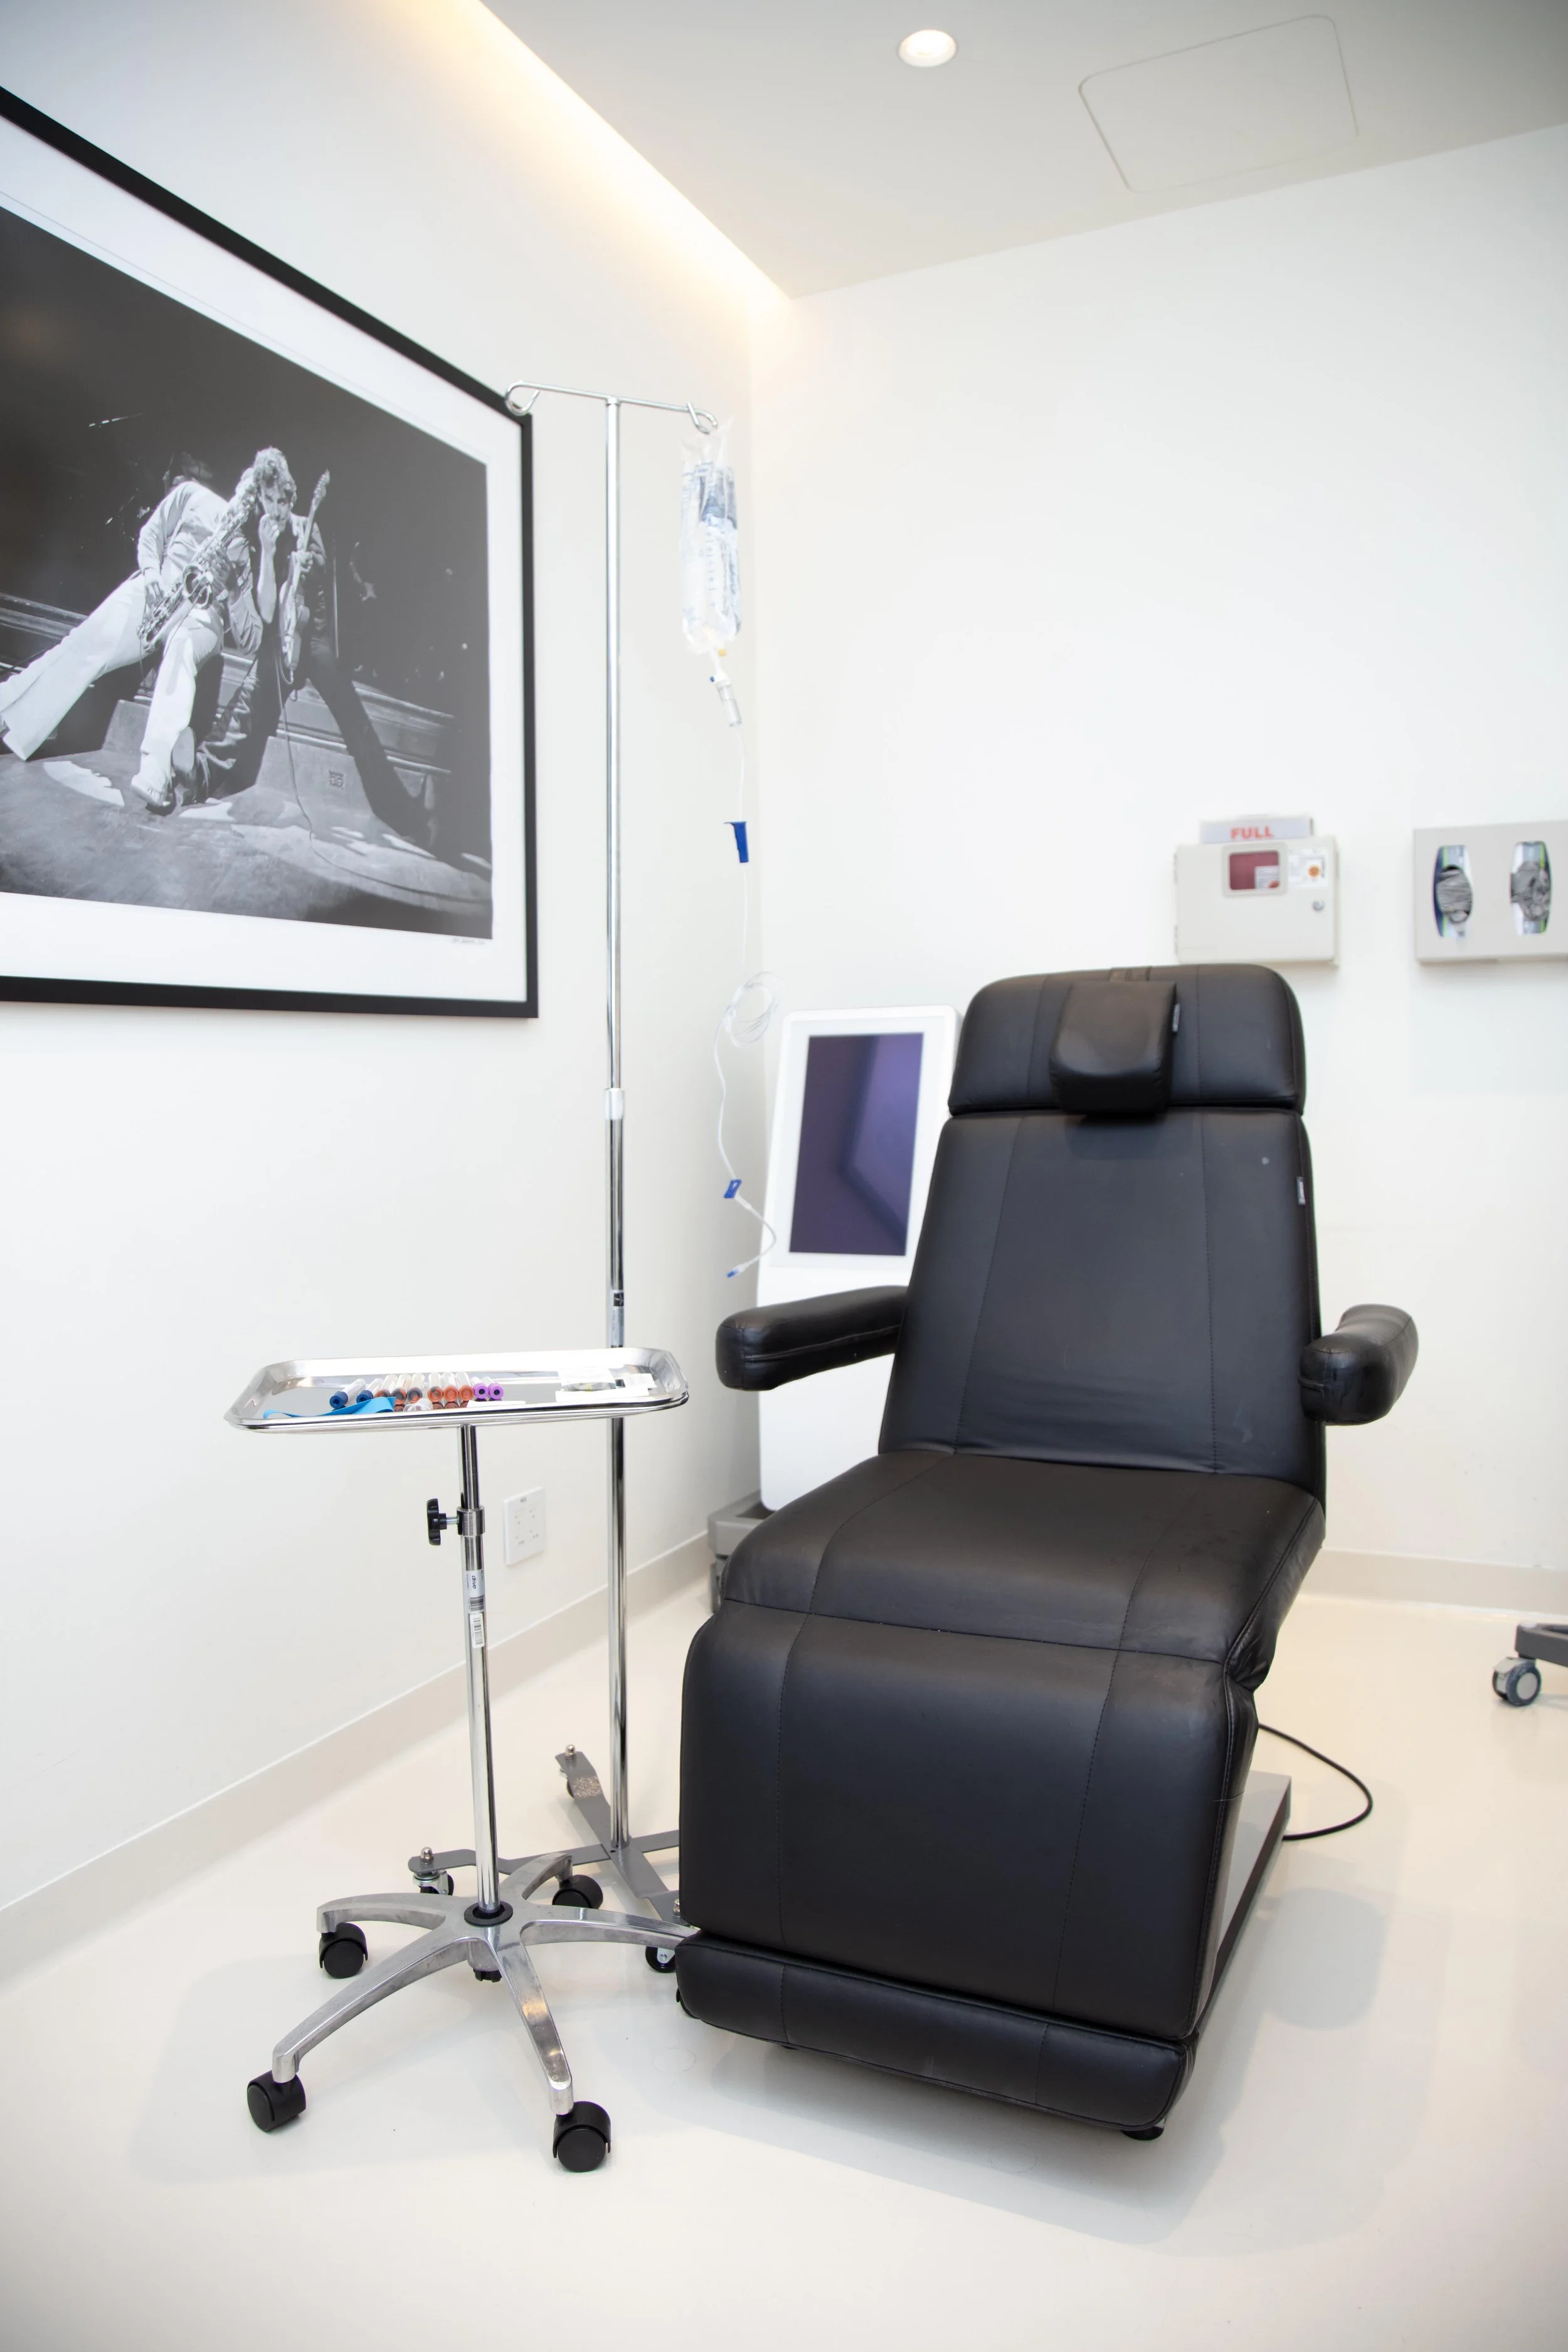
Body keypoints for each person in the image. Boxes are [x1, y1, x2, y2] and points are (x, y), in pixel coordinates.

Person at [0, 452, 292, 810]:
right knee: (85, 645)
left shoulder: (245, 552)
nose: (254, 506)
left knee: (181, 654)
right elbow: (152, 533)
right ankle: (8, 708)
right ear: (245, 487)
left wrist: (235, 584)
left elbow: (250, 638)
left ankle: (156, 777)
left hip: (201, 615)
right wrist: (153, 573)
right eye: (257, 495)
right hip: (160, 588)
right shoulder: (192, 495)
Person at [176, 486, 439, 853]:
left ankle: (408, 817)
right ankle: (198, 776)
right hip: (277, 640)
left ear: (292, 499)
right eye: (269, 501)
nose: (277, 508)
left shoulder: (304, 527)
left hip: (312, 640)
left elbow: (322, 564)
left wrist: (306, 563)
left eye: (283, 500)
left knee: (356, 723)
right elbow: (262, 607)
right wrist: (267, 555)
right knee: (244, 706)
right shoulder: (260, 534)